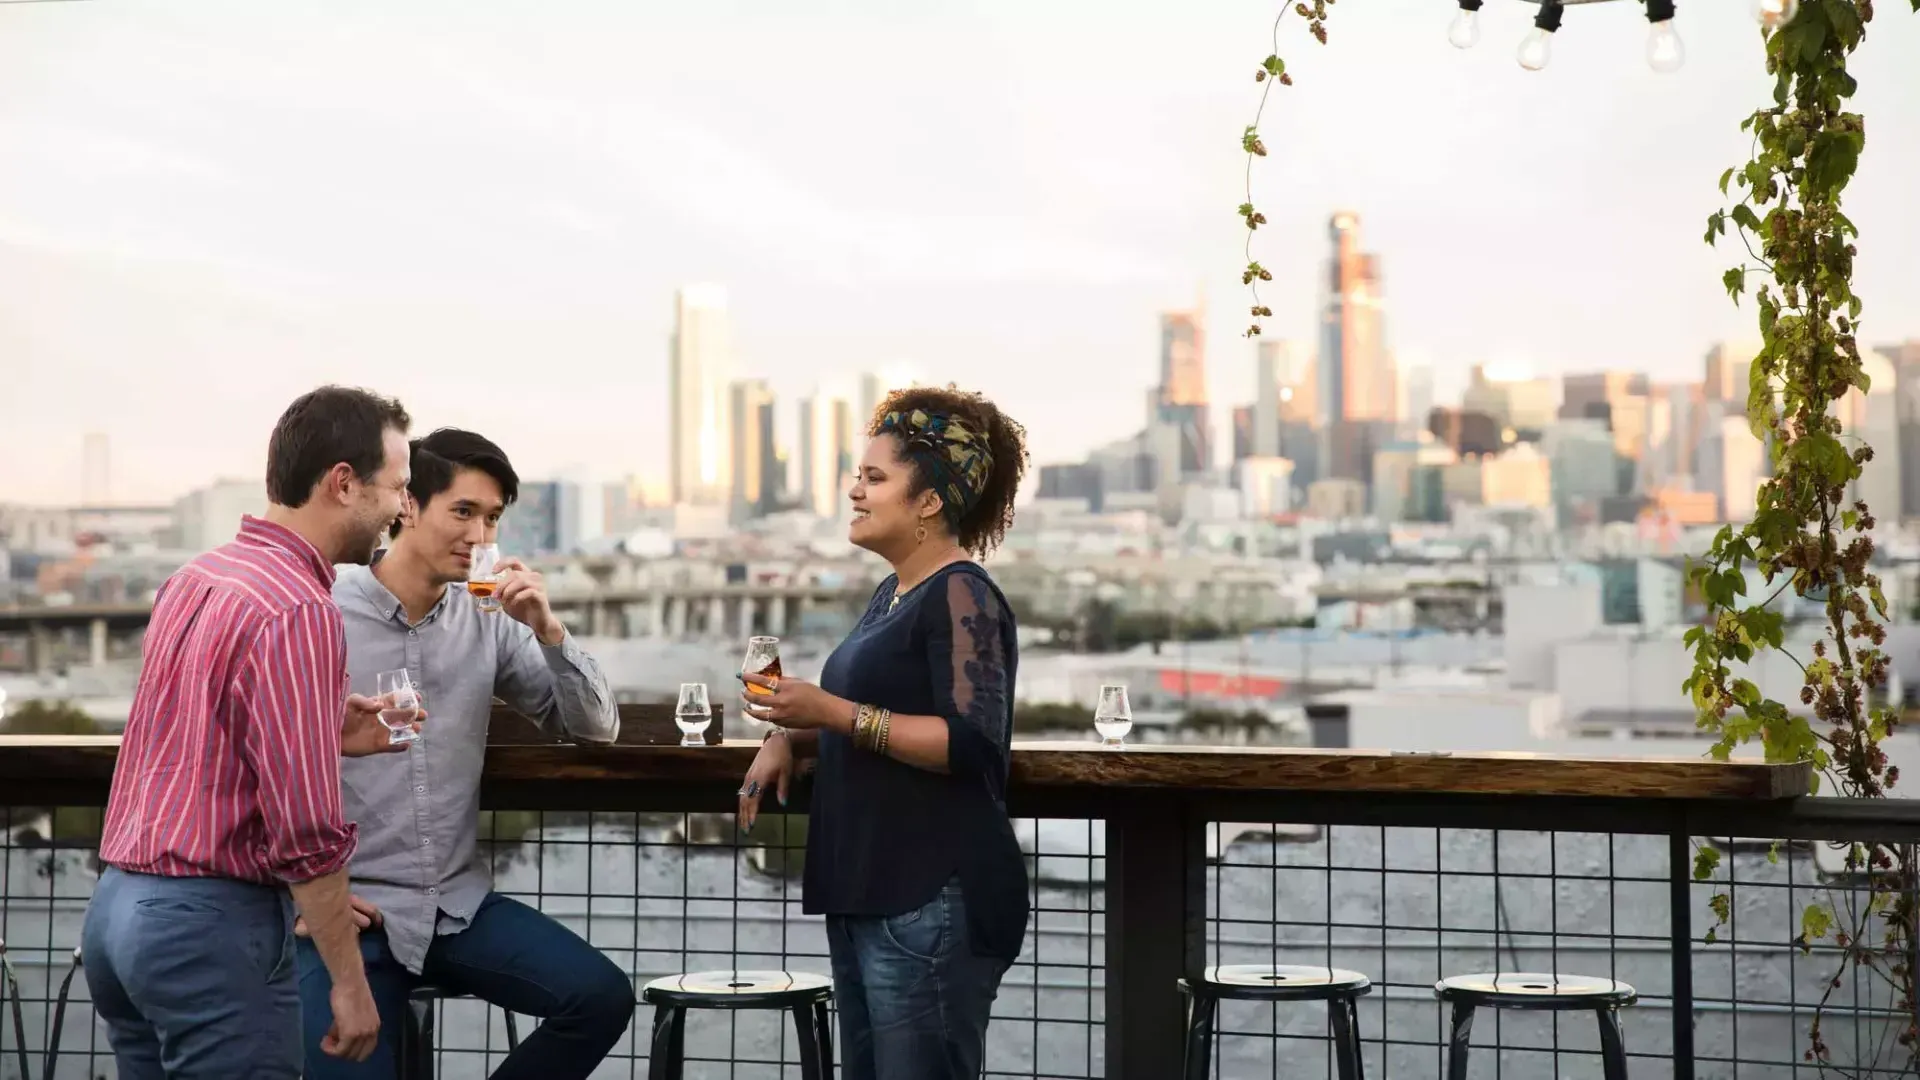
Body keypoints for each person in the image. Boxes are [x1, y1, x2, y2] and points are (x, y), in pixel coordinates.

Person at [82, 385, 418, 1079]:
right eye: (397, 488)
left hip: (117, 912)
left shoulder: (199, 577)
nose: (402, 509)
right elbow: (306, 831)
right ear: (344, 483)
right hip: (207, 927)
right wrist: (349, 986)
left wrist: (321, 730)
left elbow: (196, 742)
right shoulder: (300, 608)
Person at [294, 427, 635, 1079]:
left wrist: (548, 628)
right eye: (463, 512)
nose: (480, 536)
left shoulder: (489, 619)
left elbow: (597, 729)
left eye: (492, 519)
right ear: (408, 507)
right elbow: (255, 764)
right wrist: (295, 899)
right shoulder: (323, 616)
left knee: (599, 998)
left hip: (456, 907)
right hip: (350, 916)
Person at [735, 385, 1030, 1079]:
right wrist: (791, 737)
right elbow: (872, 713)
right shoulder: (893, 593)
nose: (855, 492)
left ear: (928, 502)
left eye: (875, 478)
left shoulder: (963, 592)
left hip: (931, 895)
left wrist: (829, 713)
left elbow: (970, 741)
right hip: (874, 889)